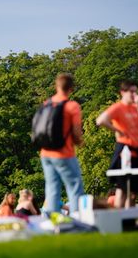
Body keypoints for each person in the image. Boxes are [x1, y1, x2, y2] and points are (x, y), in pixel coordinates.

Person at [96, 80, 138, 208]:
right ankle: (118, 220)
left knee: (133, 192)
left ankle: (129, 221)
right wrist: (118, 130)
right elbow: (101, 120)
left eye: (136, 92)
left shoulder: (136, 108)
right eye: (131, 92)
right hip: (124, 150)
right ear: (122, 92)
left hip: (137, 150)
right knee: (122, 188)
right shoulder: (118, 107)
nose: (134, 95)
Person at [40, 73, 84, 215]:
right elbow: (77, 134)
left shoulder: (46, 104)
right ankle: (77, 220)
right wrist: (82, 143)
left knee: (52, 189)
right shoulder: (72, 106)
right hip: (64, 153)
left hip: (45, 153)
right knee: (74, 186)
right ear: (71, 89)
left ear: (56, 86)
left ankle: (54, 223)